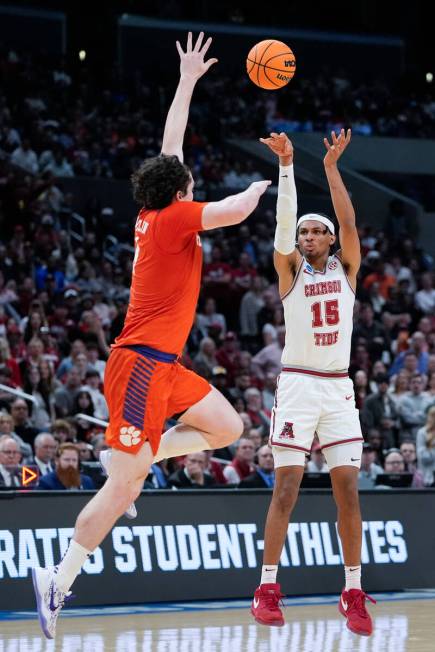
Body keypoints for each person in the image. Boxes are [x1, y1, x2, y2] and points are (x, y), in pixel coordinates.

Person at [31, 31, 270, 640]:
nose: (189, 180)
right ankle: (57, 579)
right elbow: (235, 210)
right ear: (182, 193)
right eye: (188, 181)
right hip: (139, 366)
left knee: (227, 428)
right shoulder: (176, 218)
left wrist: (187, 81)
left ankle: (126, 460)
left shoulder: (153, 211)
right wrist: (272, 181)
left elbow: (171, 146)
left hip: (162, 365)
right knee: (126, 487)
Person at [251, 130, 375, 636]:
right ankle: (267, 588)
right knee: (286, 489)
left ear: (328, 239)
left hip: (339, 389)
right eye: (301, 233)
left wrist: (329, 168)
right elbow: (282, 232)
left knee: (349, 493)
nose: (305, 238)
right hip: (299, 385)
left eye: (313, 232)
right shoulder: (290, 273)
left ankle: (352, 591)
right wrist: (286, 166)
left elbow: (348, 219)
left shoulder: (347, 268)